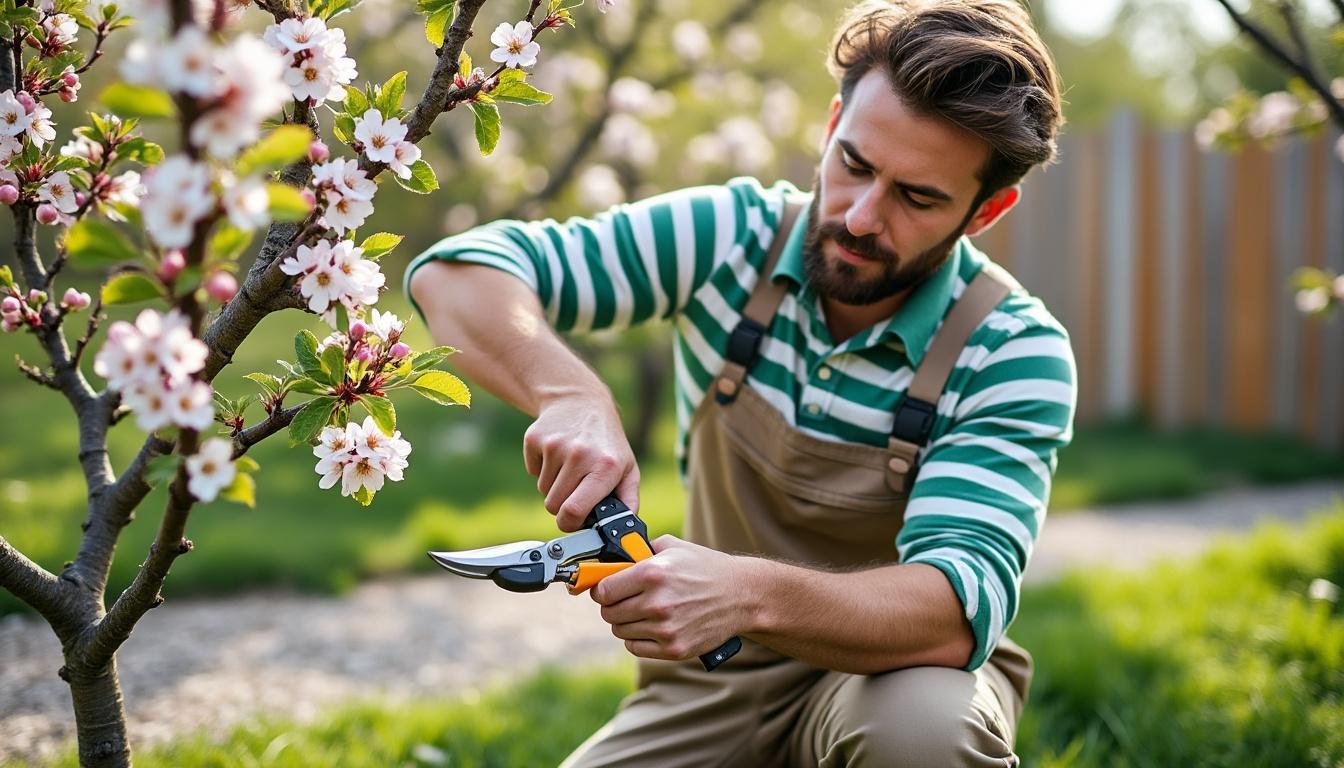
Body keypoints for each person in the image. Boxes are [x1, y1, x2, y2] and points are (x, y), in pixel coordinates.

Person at [405, 0, 1075, 764]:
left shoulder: (1012, 350)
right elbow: (458, 275)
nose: (860, 217)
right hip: (706, 688)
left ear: (986, 211)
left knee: (922, 735)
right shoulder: (732, 237)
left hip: (896, 677)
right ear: (831, 128)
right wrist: (570, 394)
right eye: (853, 164)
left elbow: (953, 611)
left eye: (916, 197)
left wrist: (747, 594)